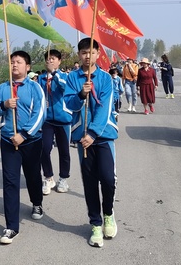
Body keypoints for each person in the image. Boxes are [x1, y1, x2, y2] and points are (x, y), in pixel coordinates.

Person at [64, 38, 118, 248]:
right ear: (79, 55)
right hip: (82, 136)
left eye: (91, 52)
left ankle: (108, 214)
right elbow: (69, 104)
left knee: (108, 179)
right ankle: (95, 223)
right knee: (89, 181)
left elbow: (104, 108)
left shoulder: (106, 78)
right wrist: (81, 93)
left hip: (102, 135)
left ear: (98, 54)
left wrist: (93, 133)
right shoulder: (72, 78)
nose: (88, 56)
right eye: (84, 52)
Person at [0, 50, 46, 245]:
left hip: (30, 140)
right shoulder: (3, 88)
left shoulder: (35, 88)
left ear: (27, 67)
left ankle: (37, 203)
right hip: (8, 140)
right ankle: (12, 226)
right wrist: (4, 104)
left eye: (19, 62)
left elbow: (40, 114)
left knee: (32, 176)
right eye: (12, 62)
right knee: (10, 181)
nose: (14, 65)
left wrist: (24, 134)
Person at [38, 50, 72, 195]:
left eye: (52, 59)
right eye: (47, 59)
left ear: (59, 61)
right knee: (44, 149)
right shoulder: (41, 79)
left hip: (63, 120)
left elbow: (65, 88)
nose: (49, 61)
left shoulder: (65, 77)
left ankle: (63, 178)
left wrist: (55, 74)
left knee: (64, 151)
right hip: (47, 120)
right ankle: (48, 177)